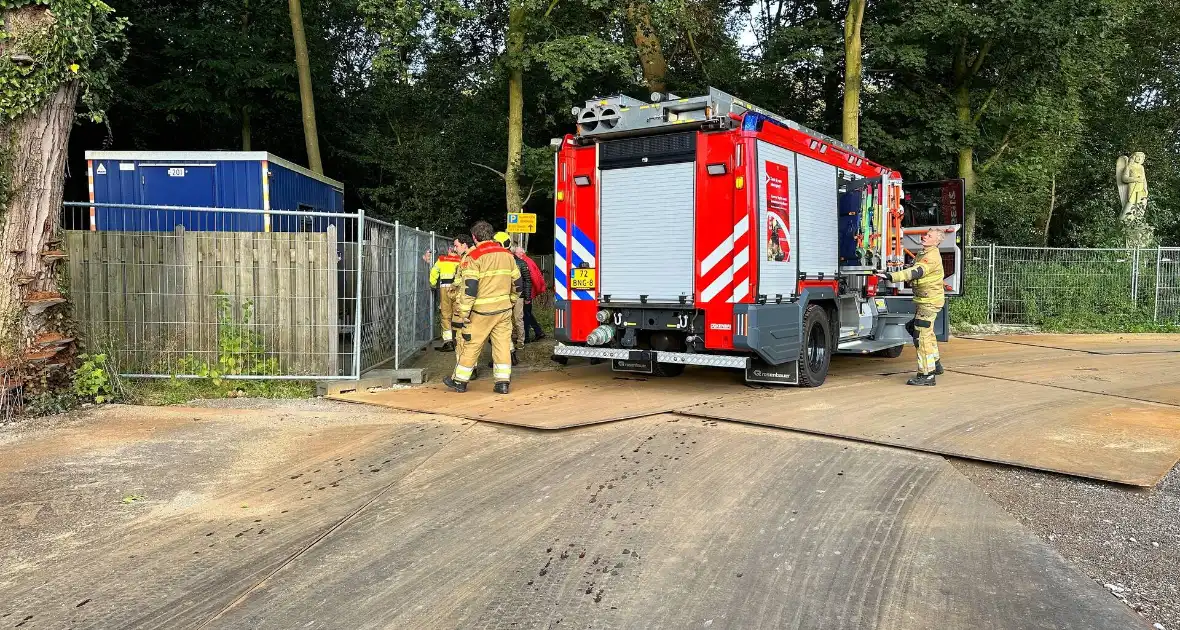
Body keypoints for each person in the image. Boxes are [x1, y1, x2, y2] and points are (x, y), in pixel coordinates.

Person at [445, 222, 520, 394]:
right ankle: (502, 383)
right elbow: (518, 283)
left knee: (471, 345)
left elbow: (470, 287)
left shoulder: (474, 256)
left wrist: (463, 312)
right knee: (502, 345)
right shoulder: (507, 255)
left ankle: (459, 381)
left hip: (481, 312)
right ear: (491, 235)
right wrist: (512, 300)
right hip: (503, 310)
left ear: (474, 237)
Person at [882, 227, 948, 386]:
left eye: (929, 236)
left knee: (921, 335)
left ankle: (927, 374)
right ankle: (936, 364)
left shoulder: (931, 257)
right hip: (925, 300)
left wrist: (891, 276)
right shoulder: (923, 253)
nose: (924, 237)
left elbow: (917, 271)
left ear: (937, 241)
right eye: (926, 234)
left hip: (929, 301)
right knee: (925, 331)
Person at [493, 232, 527, 363]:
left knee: (506, 325)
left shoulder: (504, 259)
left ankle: (514, 348)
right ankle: (511, 353)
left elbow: (520, 282)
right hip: (505, 298)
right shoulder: (508, 259)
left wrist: (513, 298)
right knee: (505, 327)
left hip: (503, 299)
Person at [428, 242, 464, 351]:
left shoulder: (442, 259)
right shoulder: (461, 260)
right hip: (458, 288)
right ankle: (460, 340)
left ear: (449, 250)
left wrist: (433, 284)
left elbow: (434, 272)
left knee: (445, 315)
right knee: (458, 313)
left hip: (445, 288)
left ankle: (448, 342)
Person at [519, 247, 546, 342]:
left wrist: (530, 294)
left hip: (528, 293)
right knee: (528, 313)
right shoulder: (528, 260)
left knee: (525, 315)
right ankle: (538, 332)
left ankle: (526, 338)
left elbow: (532, 279)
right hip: (530, 292)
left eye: (516, 254)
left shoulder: (525, 262)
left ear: (521, 253)